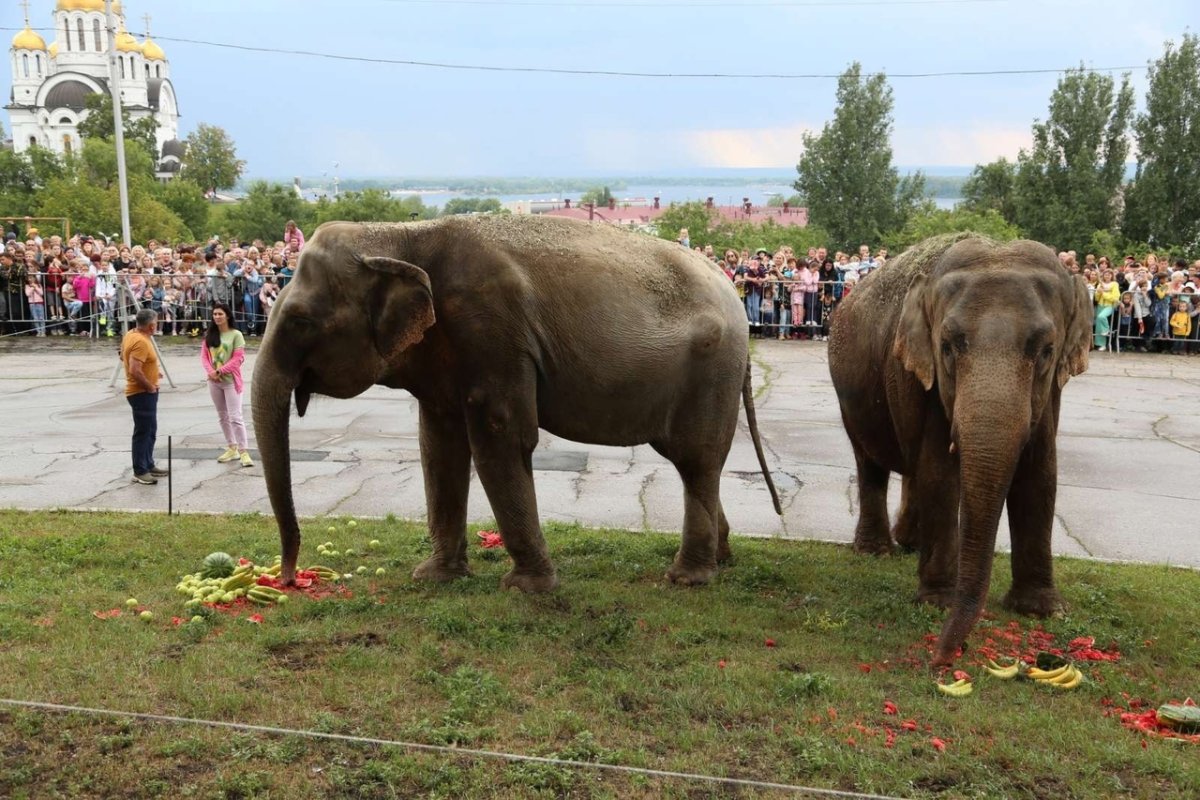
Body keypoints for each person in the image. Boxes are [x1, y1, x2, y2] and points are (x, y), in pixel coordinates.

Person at [201, 303, 253, 467]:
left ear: (228, 316)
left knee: (235, 417)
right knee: (222, 416)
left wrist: (220, 371)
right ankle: (232, 447)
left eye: (220, 314)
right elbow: (204, 357)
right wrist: (210, 372)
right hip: (214, 382)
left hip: (230, 381)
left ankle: (244, 451)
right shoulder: (210, 334)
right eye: (215, 314)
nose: (217, 317)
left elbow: (237, 359)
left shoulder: (236, 335)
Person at [121, 308, 167, 485]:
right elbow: (134, 369)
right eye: (156, 323)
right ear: (151, 326)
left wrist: (154, 372)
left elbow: (121, 356)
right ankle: (140, 471)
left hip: (146, 390)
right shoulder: (140, 341)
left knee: (150, 431)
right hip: (141, 393)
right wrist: (149, 386)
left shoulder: (131, 334)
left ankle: (148, 463)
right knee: (143, 432)